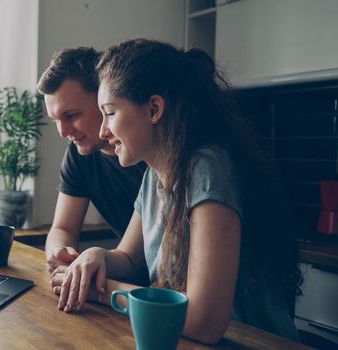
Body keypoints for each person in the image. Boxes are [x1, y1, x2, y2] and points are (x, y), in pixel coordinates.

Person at [53, 39, 302, 344]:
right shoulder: (153, 177)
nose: (103, 131)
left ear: (154, 109)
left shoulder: (207, 170)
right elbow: (129, 259)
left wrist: (104, 291)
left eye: (110, 113)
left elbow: (203, 320)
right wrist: (96, 257)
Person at [36, 47, 146, 279]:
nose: (63, 132)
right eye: (56, 119)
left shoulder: (151, 154)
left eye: (71, 115)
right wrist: (60, 252)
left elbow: (132, 259)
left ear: (104, 99)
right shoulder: (78, 155)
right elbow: (62, 229)